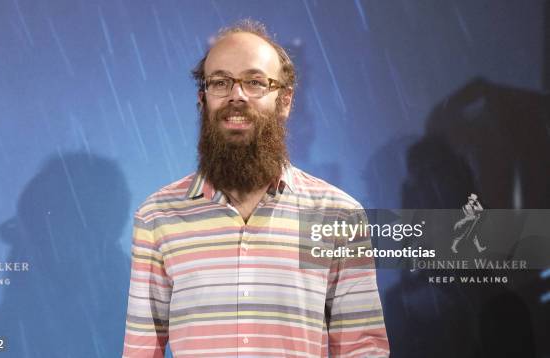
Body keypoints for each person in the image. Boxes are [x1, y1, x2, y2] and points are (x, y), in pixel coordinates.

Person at [123, 19, 389, 357]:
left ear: (286, 100)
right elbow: (141, 351)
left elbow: (362, 349)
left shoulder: (338, 214)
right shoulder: (157, 217)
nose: (237, 95)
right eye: (220, 82)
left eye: (255, 82)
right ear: (202, 99)